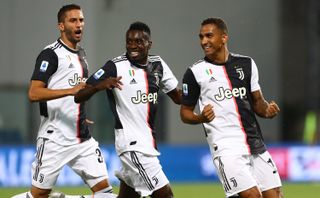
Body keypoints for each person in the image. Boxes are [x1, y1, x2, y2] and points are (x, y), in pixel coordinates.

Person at [13, 4, 119, 198]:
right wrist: (70, 91)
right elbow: (34, 93)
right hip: (55, 138)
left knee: (106, 194)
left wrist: (77, 112)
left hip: (82, 138)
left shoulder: (82, 55)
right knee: (38, 195)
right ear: (61, 26)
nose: (79, 24)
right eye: (73, 20)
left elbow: (77, 93)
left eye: (81, 20)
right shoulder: (50, 54)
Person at [74, 21, 181, 198]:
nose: (133, 46)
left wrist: (201, 91)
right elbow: (79, 95)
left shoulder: (158, 65)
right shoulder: (115, 66)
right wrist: (99, 86)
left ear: (149, 44)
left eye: (138, 42)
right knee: (165, 195)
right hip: (132, 145)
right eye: (129, 41)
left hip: (148, 144)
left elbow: (178, 97)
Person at [180, 17, 283, 198]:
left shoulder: (247, 64)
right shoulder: (195, 73)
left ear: (224, 37)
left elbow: (258, 102)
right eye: (201, 37)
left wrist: (267, 111)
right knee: (252, 196)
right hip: (226, 147)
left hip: (255, 143)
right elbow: (185, 113)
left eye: (209, 36)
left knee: (275, 195)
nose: (204, 41)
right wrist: (201, 118)